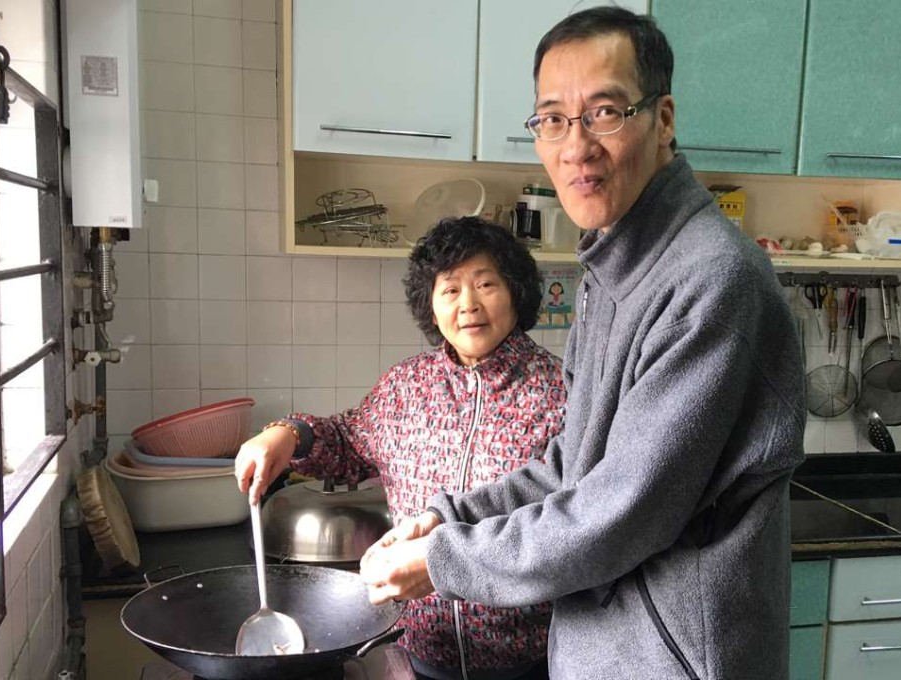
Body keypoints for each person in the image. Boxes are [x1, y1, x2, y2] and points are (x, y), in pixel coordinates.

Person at [359, 7, 806, 680]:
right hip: (605, 653)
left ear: (663, 119)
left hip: (675, 664)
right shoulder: (612, 268)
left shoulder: (713, 279)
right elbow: (574, 466)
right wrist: (445, 521)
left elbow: (621, 513)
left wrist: (444, 561)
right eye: (553, 119)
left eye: (604, 112)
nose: (576, 146)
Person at [234, 216, 565, 680]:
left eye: (486, 284)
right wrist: (287, 433)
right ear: (430, 305)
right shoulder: (406, 386)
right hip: (418, 650)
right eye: (450, 290)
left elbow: (577, 519)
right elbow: (346, 439)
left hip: (536, 656)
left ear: (515, 291)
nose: (468, 304)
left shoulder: (561, 390)